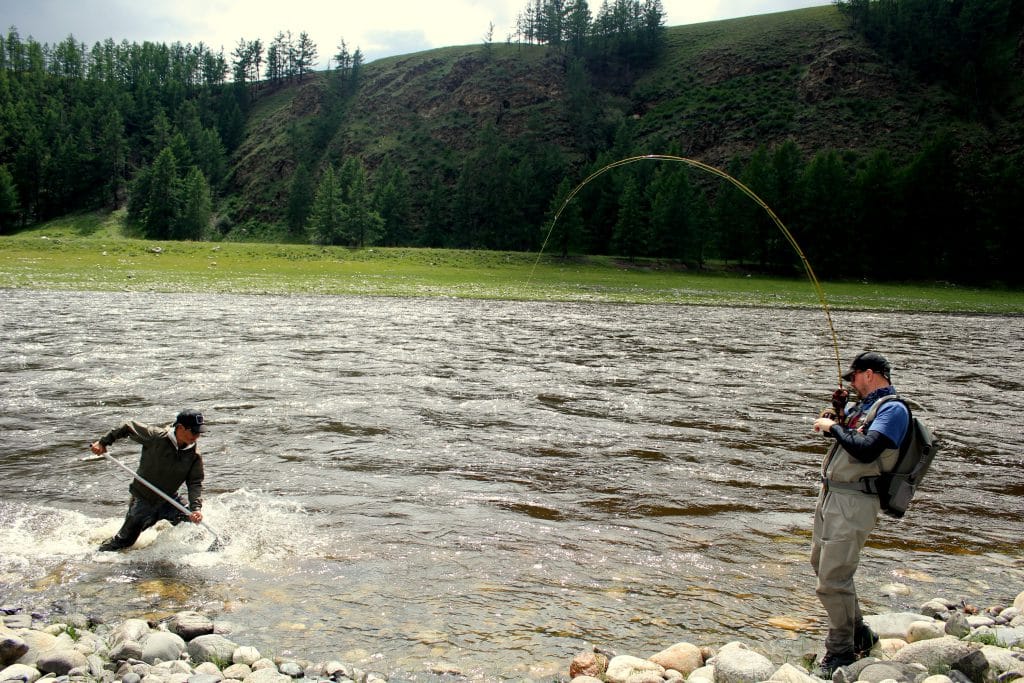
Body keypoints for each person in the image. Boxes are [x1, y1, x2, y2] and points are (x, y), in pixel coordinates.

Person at [810, 352, 910, 678]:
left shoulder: (893, 410)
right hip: (832, 496)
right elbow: (843, 433)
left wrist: (834, 426)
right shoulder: (864, 407)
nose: (851, 384)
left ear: (869, 374)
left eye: (853, 378)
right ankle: (860, 633)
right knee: (822, 566)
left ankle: (841, 651)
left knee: (832, 579)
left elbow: (867, 448)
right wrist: (837, 412)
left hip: (855, 501)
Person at [91, 409, 208, 551]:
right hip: (143, 500)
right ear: (180, 428)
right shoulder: (156, 437)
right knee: (125, 542)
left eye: (199, 433)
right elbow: (128, 426)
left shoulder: (194, 455)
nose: (196, 437)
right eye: (194, 432)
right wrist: (103, 442)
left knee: (194, 527)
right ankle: (93, 555)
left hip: (169, 500)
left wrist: (196, 509)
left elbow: (194, 483)